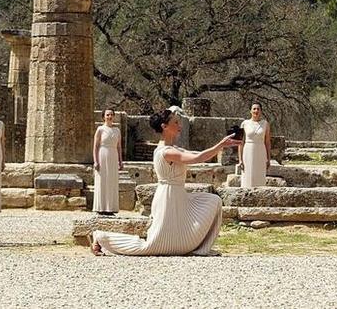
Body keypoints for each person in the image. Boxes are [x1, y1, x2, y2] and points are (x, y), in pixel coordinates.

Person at [89, 108, 240, 256]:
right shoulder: (166, 152)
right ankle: (101, 237)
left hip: (177, 195)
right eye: (175, 122)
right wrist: (220, 145)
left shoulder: (172, 148)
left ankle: (201, 247)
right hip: (168, 198)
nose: (179, 126)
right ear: (164, 126)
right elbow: (197, 158)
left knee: (213, 201)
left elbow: (195, 154)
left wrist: (218, 147)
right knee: (151, 246)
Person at [92, 109, 122, 215]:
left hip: (113, 156)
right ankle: (100, 207)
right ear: (103, 117)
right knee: (102, 180)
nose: (110, 116)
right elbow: (95, 146)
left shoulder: (117, 130)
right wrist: (95, 161)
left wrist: (120, 161)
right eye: (107, 115)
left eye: (111, 115)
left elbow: (119, 147)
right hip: (102, 154)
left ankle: (110, 208)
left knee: (112, 181)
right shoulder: (100, 129)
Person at [239, 102, 271, 188]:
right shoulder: (244, 123)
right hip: (248, 150)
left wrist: (268, 158)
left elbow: (267, 142)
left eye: (258, 109)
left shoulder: (265, 124)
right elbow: (241, 143)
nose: (256, 111)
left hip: (260, 150)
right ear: (250, 111)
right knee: (247, 175)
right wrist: (240, 160)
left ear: (261, 111)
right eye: (254, 109)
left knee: (259, 176)